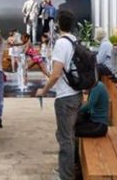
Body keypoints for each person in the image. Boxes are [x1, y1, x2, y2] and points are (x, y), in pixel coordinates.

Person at [35, 9, 83, 180]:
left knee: (65, 138)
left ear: (57, 24)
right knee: (68, 135)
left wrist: (44, 90)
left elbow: (55, 74)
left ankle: (66, 176)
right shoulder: (75, 40)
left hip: (65, 97)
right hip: (76, 94)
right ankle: (68, 170)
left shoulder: (62, 43)